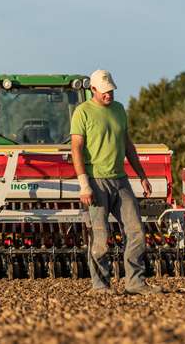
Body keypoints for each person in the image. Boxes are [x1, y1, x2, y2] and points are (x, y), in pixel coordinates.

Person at [70, 69, 163, 295]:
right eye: (104, 92)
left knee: (137, 231)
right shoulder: (82, 112)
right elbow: (76, 149)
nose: (108, 95)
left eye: (110, 90)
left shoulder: (120, 110)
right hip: (96, 181)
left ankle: (135, 282)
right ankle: (100, 285)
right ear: (93, 89)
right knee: (101, 237)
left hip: (121, 180)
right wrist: (84, 184)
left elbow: (128, 145)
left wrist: (142, 175)